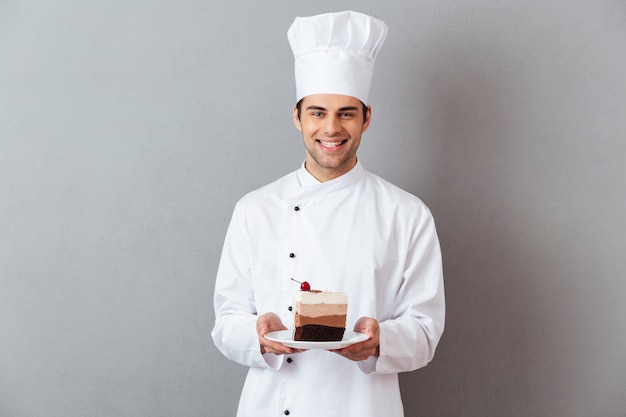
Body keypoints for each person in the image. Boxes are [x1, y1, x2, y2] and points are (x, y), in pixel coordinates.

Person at [211, 10, 445, 417]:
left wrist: (381, 341)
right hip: (271, 406)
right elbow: (225, 323)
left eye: (346, 113)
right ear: (297, 117)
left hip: (363, 406)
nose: (331, 129)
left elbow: (425, 331)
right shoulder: (255, 209)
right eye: (317, 112)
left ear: (367, 118)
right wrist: (257, 335)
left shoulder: (406, 213)